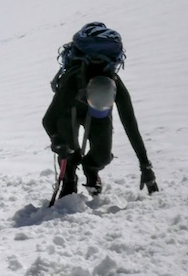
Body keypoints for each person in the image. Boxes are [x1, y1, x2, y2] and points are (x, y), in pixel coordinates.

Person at [43, 22, 157, 198]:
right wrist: (57, 140)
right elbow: (49, 119)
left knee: (102, 155)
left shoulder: (114, 83)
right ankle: (69, 179)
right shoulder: (72, 80)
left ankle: (91, 170)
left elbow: (130, 124)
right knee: (69, 151)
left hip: (98, 117)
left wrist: (146, 166)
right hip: (68, 111)